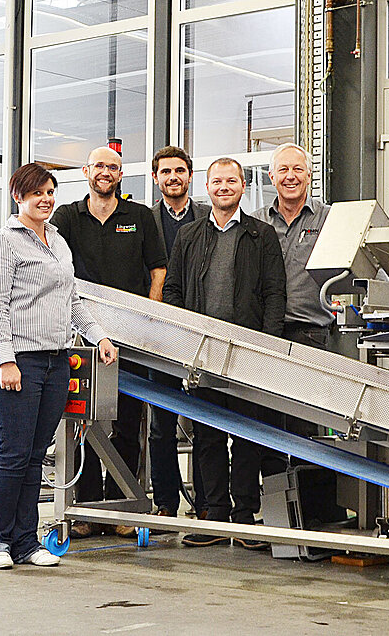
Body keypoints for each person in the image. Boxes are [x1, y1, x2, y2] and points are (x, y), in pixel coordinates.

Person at [0, 163, 118, 570]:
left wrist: (98, 336)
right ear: (17, 195)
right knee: (14, 454)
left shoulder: (56, 240)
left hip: (57, 361)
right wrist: (6, 358)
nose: (46, 199)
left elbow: (71, 300)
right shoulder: (3, 242)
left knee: (37, 454)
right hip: (18, 360)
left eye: (51, 191)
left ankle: (24, 541)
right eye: (37, 192)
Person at [162, 157, 286, 549]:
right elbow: (173, 290)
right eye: (217, 181)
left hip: (249, 351)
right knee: (208, 435)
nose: (224, 187)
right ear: (208, 186)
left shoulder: (262, 236)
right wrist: (183, 340)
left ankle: (244, 517)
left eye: (231, 180)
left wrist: (266, 348)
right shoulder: (189, 235)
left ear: (243, 186)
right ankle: (213, 515)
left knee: (248, 437)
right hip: (203, 352)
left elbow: (273, 295)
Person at [50, 146, 167, 539]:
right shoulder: (67, 216)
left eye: (114, 167)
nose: (106, 172)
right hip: (80, 334)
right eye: (100, 165)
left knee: (127, 420)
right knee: (82, 420)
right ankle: (84, 509)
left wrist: (149, 317)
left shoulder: (139, 217)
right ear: (86, 171)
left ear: (122, 174)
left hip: (129, 337)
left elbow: (158, 268)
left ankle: (120, 507)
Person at [147, 146, 211, 521]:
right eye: (165, 171)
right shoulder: (145, 218)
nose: (173, 177)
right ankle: (166, 502)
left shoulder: (208, 216)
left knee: (205, 423)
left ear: (190, 176)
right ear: (156, 178)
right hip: (159, 331)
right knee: (161, 425)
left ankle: (206, 503)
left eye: (179, 171)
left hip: (201, 328)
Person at [263, 144, 334, 461]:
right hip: (265, 335)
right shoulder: (257, 223)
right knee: (266, 427)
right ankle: (274, 504)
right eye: (283, 170)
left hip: (311, 334)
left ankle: (313, 509)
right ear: (271, 176)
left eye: (297, 170)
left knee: (307, 429)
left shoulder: (330, 219)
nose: (290, 177)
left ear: (309, 174)